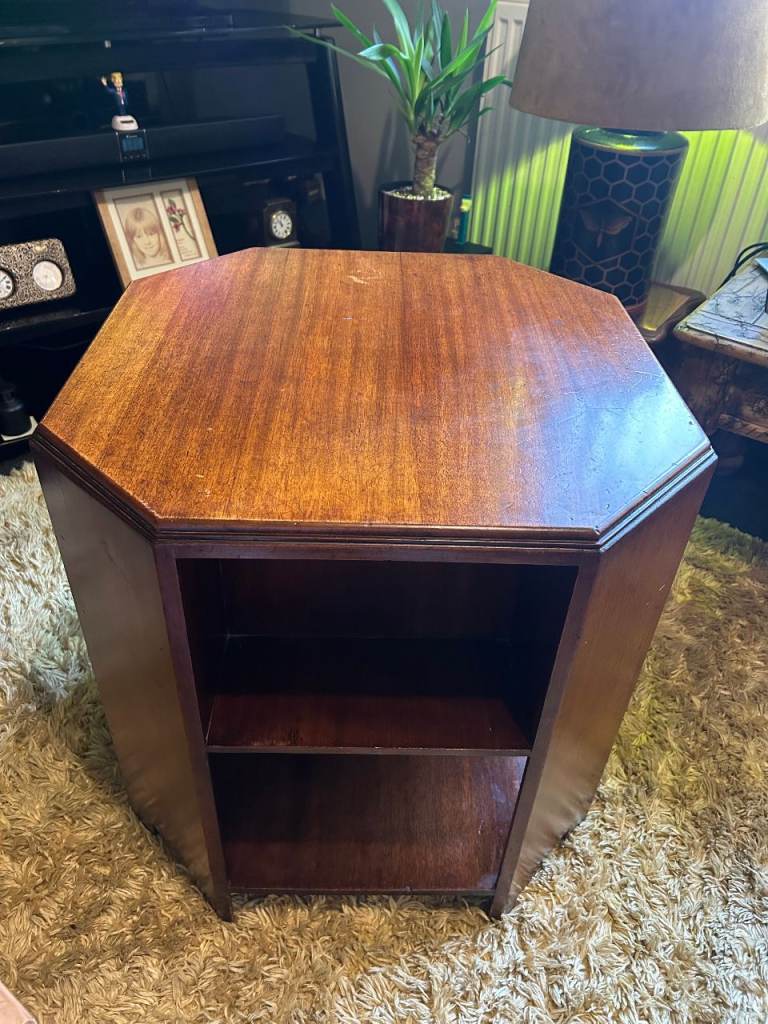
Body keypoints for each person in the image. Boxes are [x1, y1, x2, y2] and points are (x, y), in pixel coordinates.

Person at [122, 205, 172, 270]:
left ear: (160, 233)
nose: (147, 242)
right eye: (139, 237)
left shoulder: (171, 259)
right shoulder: (135, 267)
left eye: (151, 234)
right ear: (133, 240)